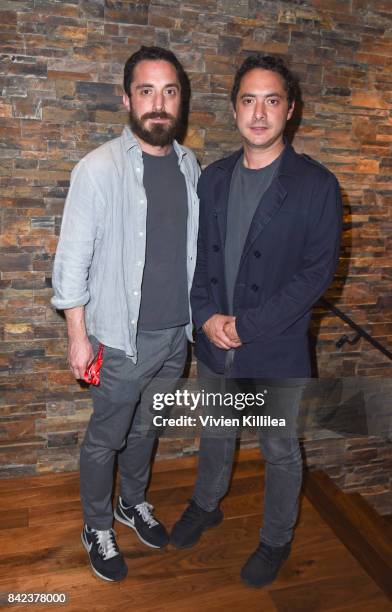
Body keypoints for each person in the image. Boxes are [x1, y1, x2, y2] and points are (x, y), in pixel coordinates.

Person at [171, 54, 342, 588]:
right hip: (217, 342)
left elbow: (314, 275)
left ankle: (275, 537)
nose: (260, 112)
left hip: (275, 347)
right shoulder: (213, 179)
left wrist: (246, 325)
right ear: (234, 109)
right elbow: (195, 260)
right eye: (249, 100)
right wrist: (204, 318)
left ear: (290, 110)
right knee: (217, 432)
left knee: (279, 449)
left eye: (272, 100)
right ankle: (207, 504)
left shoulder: (317, 186)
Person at [51, 46, 199, 582]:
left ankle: (130, 503)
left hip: (173, 338)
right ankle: (96, 525)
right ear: (127, 99)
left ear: (180, 101)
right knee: (106, 438)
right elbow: (71, 262)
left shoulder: (189, 165)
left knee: (146, 432)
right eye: (146, 91)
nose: (158, 103)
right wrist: (78, 336)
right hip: (117, 341)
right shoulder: (97, 169)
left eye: (169, 91)